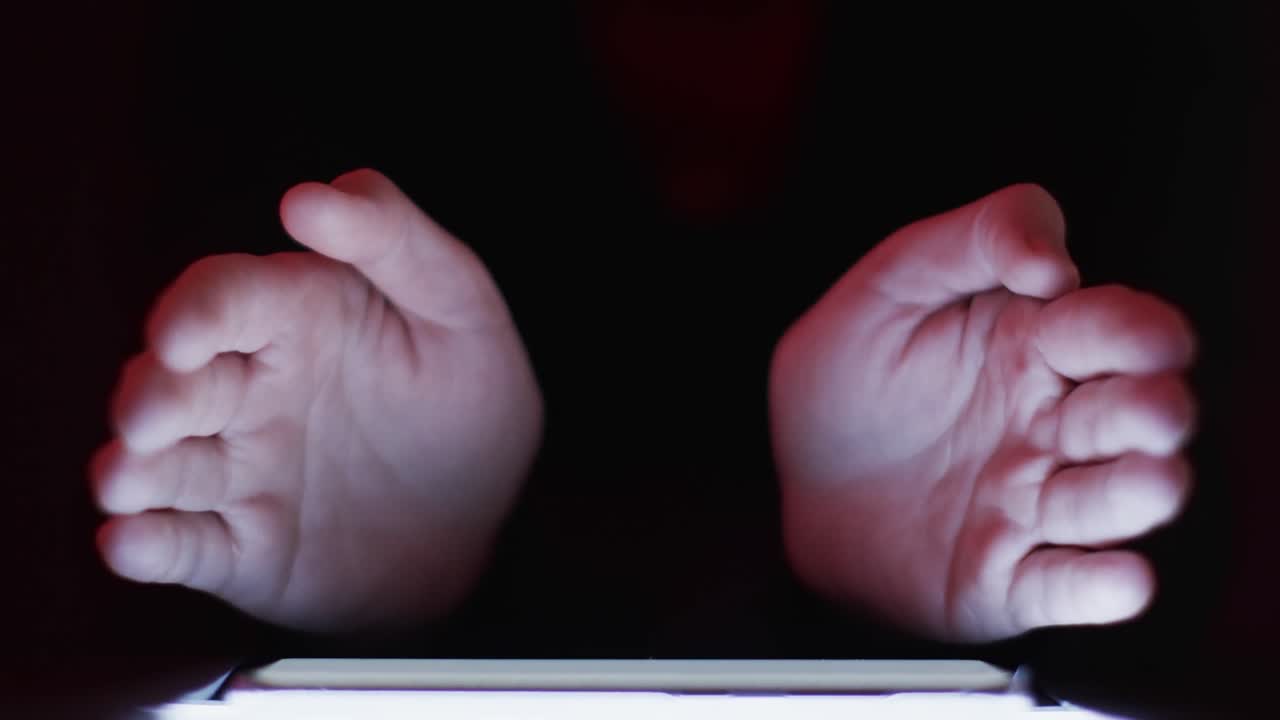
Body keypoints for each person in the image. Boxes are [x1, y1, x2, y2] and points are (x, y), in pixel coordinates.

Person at [86, 2, 1197, 648]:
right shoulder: (293, 41)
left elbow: (1179, 528)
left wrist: (867, 576)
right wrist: (421, 571)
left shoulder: (1084, 48)